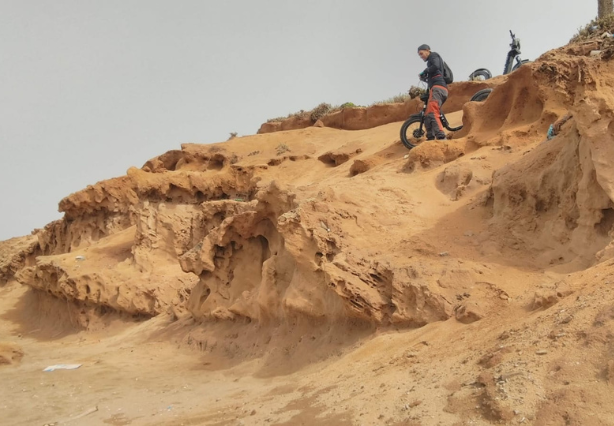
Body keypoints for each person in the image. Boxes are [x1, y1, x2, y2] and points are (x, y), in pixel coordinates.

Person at [417, 44, 448, 140]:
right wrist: (424, 78)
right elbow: (432, 73)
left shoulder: (433, 55)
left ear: (427, 50)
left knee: (433, 112)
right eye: (419, 55)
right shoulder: (430, 63)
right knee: (427, 114)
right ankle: (430, 136)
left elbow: (436, 66)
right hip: (435, 88)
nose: (421, 56)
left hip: (439, 88)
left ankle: (441, 136)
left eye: (421, 53)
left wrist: (426, 71)